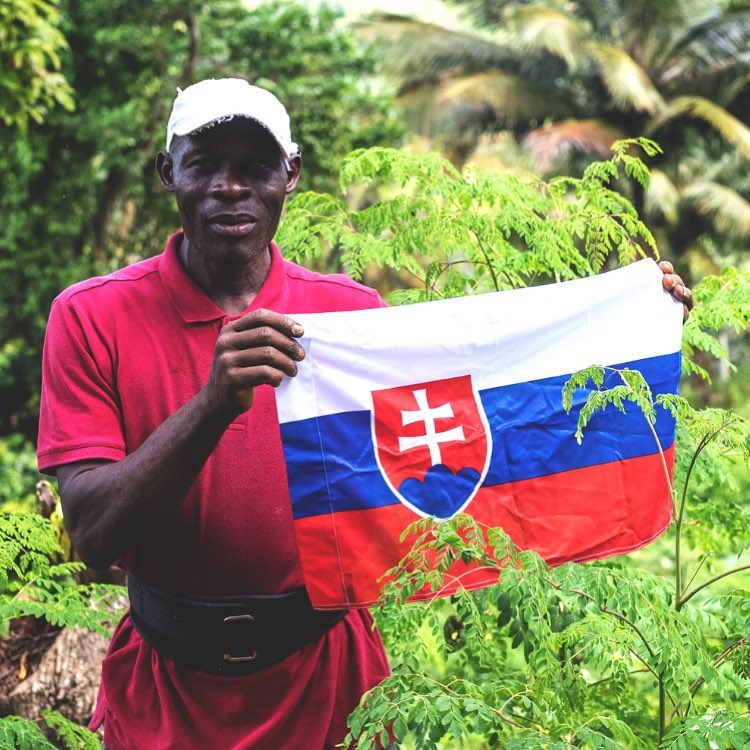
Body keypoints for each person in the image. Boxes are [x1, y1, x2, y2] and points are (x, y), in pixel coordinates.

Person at [37, 78, 694, 750]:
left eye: (256, 166)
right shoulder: (91, 317)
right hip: (165, 692)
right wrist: (212, 406)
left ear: (291, 176)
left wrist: (632, 324)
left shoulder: (350, 316)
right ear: (166, 172)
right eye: (204, 164)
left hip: (330, 682)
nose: (229, 187)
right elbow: (92, 536)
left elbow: (473, 414)